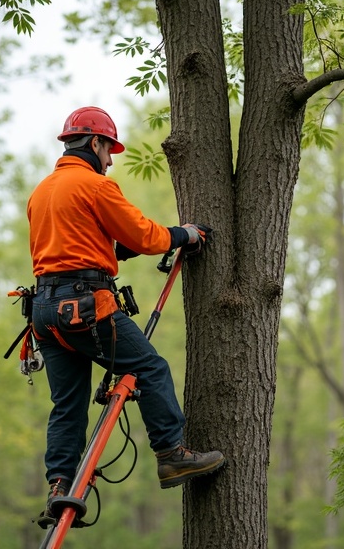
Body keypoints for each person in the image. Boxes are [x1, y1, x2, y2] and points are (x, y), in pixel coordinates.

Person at [27, 106, 225, 528]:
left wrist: (123, 250)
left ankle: (60, 485)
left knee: (67, 404)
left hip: (44, 312)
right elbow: (144, 235)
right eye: (109, 149)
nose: (111, 159)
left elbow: (86, 246)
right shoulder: (97, 186)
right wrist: (184, 234)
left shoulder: (43, 191)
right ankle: (172, 454)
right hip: (83, 306)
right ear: (95, 143)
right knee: (150, 368)